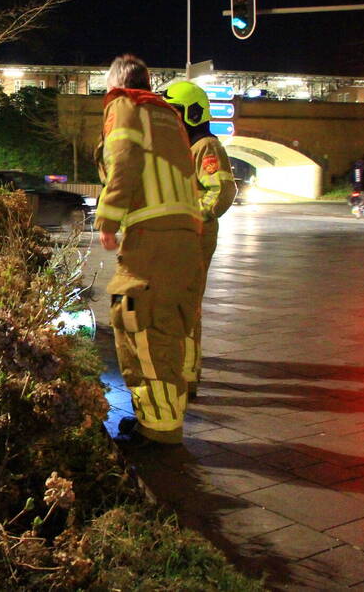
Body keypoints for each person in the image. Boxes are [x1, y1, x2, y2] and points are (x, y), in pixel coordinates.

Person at [94, 54, 203, 447]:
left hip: (151, 235)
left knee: (139, 326)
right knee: (168, 330)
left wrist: (107, 219)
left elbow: (123, 160)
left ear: (116, 84)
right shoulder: (168, 117)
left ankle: (157, 431)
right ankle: (164, 420)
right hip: (186, 236)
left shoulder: (125, 105)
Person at [164, 81, 238, 400]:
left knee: (187, 305)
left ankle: (187, 375)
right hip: (178, 236)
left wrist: (190, 214)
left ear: (192, 113)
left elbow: (221, 191)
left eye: (175, 112)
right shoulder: (183, 146)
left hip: (194, 235)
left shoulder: (205, 146)